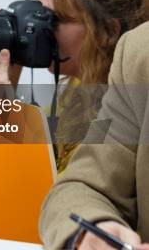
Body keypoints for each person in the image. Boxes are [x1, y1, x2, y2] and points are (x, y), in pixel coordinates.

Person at [0, 0, 149, 172]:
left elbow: (53, 195)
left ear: (107, 31)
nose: (41, 30)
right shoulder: (75, 95)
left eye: (54, 19)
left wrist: (4, 115)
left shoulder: (132, 111)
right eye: (39, 15)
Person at [39, 21, 149, 249]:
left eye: (56, 19)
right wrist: (94, 231)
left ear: (105, 29)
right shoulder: (139, 51)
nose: (44, 33)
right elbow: (84, 186)